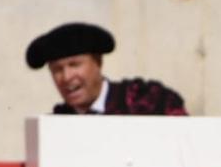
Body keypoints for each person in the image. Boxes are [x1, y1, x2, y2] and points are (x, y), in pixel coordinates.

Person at [25, 22, 188, 116]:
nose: (66, 76)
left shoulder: (149, 101)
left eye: (75, 64)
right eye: (57, 69)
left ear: (98, 63)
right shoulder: (57, 123)